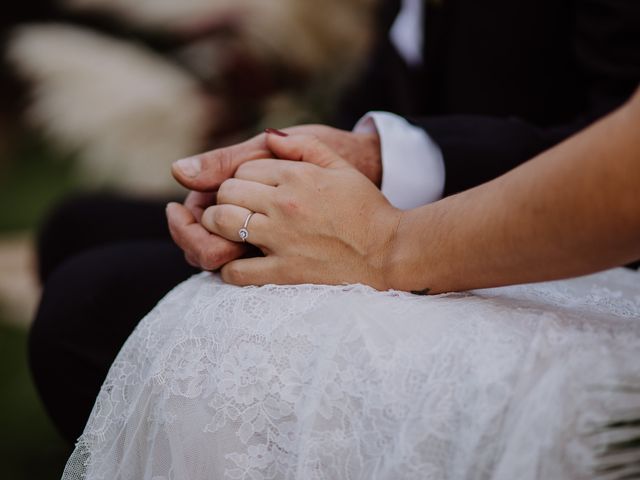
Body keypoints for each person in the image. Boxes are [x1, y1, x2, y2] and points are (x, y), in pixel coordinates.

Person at [31, 0, 640, 443]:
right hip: (434, 200)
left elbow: (610, 144)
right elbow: (387, 96)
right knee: (80, 227)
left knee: (88, 305)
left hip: (567, 253)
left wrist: (385, 172)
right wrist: (275, 169)